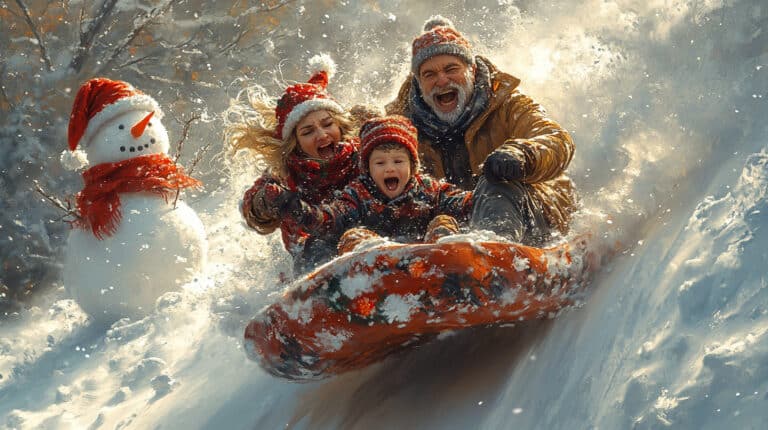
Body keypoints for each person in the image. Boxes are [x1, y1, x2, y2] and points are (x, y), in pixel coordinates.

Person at [386, 16, 578, 246]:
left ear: (472, 70)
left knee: (494, 185)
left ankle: (495, 255)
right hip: (452, 223)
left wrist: (520, 154)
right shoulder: (402, 125)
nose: (442, 80)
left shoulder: (508, 104)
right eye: (430, 74)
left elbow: (556, 138)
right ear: (418, 82)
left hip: (528, 212)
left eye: (451, 69)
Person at [224, 55, 363, 274]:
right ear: (294, 143)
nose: (322, 134)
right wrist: (265, 202)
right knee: (317, 249)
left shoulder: (363, 155)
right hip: (313, 262)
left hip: (364, 246)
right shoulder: (285, 173)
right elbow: (251, 209)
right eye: (308, 132)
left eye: (328, 124)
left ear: (340, 126)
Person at [278, 115, 473, 251]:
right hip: (377, 271)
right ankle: (369, 260)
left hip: (424, 259)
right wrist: (303, 212)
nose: (390, 169)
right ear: (368, 169)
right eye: (380, 163)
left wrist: (487, 190)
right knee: (353, 236)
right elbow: (332, 218)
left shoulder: (428, 189)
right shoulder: (357, 194)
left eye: (398, 161)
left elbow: (462, 203)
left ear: (413, 167)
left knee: (444, 223)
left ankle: (448, 257)